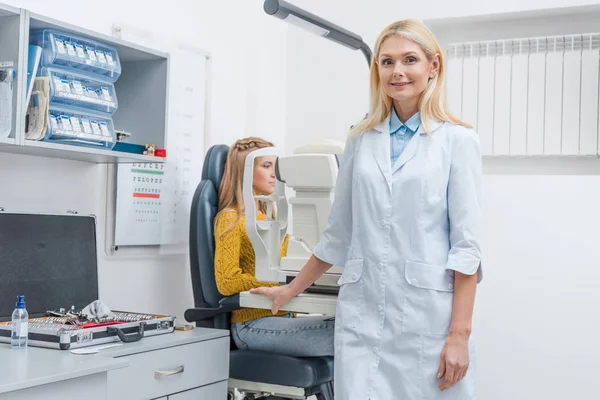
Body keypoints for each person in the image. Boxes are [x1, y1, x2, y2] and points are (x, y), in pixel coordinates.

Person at [250, 19, 483, 399]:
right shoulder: (360, 137)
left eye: (410, 59)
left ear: (433, 66)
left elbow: (467, 249)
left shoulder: (458, 140)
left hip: (427, 320)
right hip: (363, 318)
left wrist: (460, 334)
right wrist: (290, 289)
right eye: (387, 62)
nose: (398, 72)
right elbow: (339, 233)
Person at [214, 136, 334, 357]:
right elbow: (227, 281)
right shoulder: (231, 219)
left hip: (284, 316)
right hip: (252, 326)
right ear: (246, 172)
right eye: (266, 166)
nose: (274, 174)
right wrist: (283, 284)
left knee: (354, 325)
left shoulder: (272, 218)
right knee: (343, 335)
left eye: (276, 167)